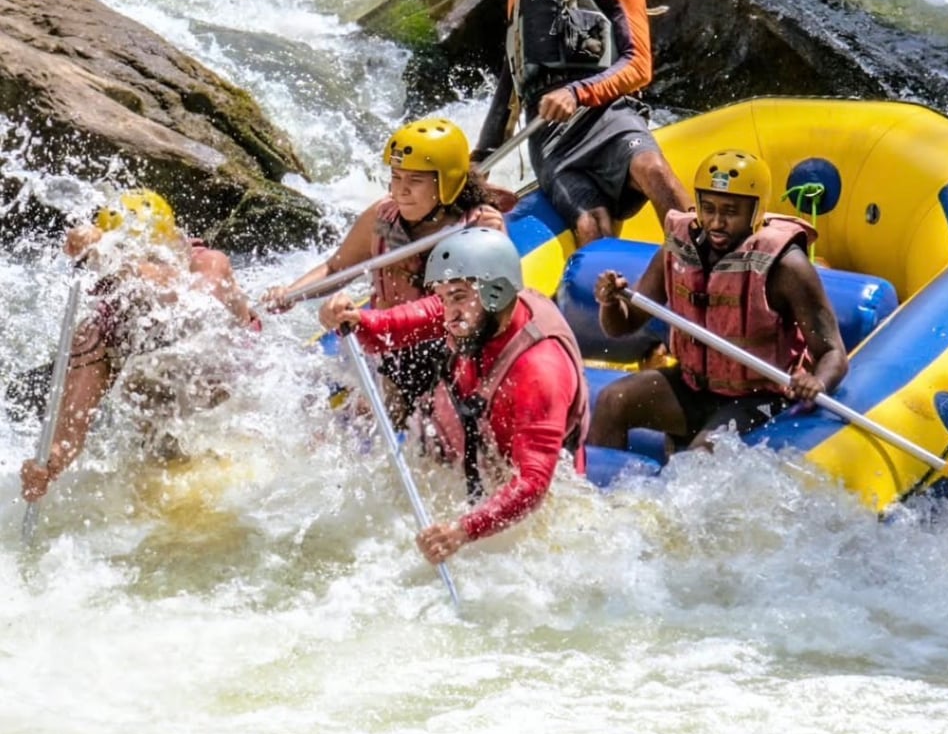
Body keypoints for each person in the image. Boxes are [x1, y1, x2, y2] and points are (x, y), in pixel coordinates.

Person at [318, 227, 590, 565]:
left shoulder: (540, 370)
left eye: (457, 297)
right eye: (444, 298)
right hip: (474, 457)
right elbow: (391, 329)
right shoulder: (476, 309)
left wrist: (463, 531)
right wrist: (355, 319)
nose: (448, 315)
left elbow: (532, 484)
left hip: (525, 496)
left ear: (497, 293)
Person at [472, 0, 692, 245]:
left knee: (653, 171)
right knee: (591, 225)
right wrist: (482, 157)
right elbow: (511, 82)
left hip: (608, 117)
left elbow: (639, 65)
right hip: (552, 139)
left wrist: (578, 92)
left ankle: (701, 271)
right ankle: (609, 302)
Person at [587, 149, 849, 458]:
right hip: (693, 387)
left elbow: (833, 353)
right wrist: (610, 302)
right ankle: (604, 494)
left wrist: (816, 382)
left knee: (702, 455)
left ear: (755, 211)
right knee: (611, 400)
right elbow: (623, 325)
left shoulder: (786, 266)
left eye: (730, 211)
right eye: (708, 208)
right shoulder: (679, 248)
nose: (716, 222)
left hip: (759, 397)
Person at [20, 189, 259, 502]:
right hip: (162, 437)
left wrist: (120, 258)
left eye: (155, 258)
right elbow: (68, 435)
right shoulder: (98, 330)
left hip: (242, 419)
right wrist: (46, 467)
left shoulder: (209, 264)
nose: (146, 268)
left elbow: (200, 301)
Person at [264, 117, 509, 422]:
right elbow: (336, 267)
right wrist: (292, 293)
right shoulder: (383, 216)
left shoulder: (476, 227)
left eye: (415, 181)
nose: (401, 190)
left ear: (447, 182)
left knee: (380, 417)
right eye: (396, 177)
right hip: (384, 343)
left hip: (438, 352)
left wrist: (497, 239)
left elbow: (489, 306)